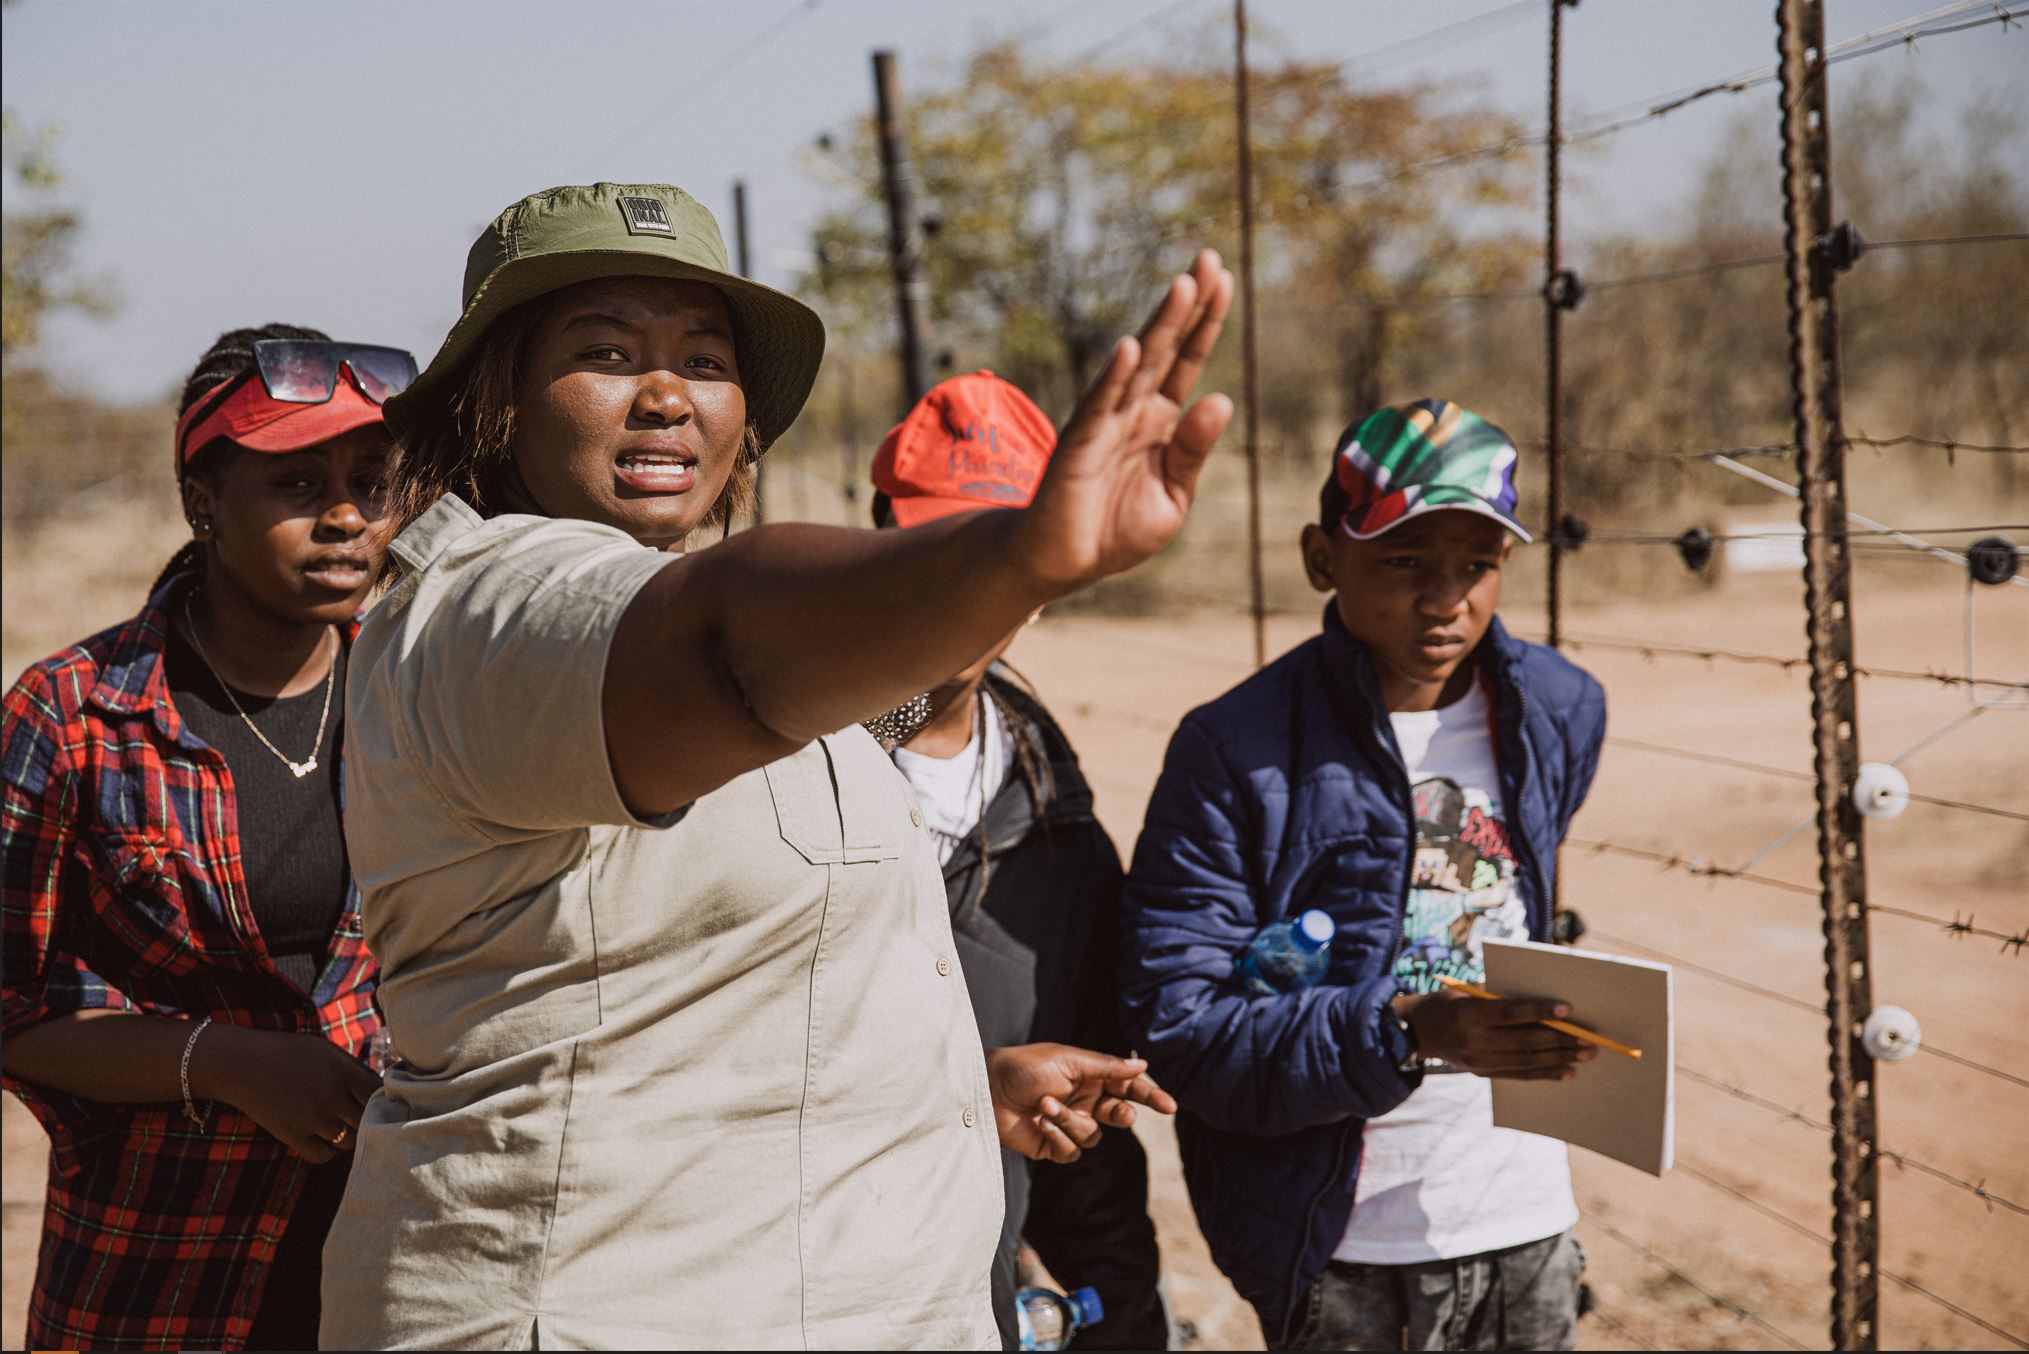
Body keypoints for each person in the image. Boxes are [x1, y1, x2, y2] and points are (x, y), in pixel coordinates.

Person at [319, 182, 1231, 1350]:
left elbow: (713, 1001)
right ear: (495, 398)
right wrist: (1016, 554)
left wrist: (955, 1090)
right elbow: (725, 644)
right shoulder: (485, 614)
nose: (666, 394)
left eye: (704, 360)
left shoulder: (789, 679)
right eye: (606, 352)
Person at [1119, 399, 1610, 1351]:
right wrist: (1405, 1030)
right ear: (1321, 558)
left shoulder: (1558, 708)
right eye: (1403, 561)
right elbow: (1178, 1027)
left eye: (1477, 563)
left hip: (1524, 1225)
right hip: (1338, 1249)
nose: (1445, 599)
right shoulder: (1235, 750)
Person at [0, 325, 411, 1350]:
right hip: (160, 1267)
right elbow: (10, 1004)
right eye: (298, 483)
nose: (346, 517)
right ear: (202, 503)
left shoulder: (422, 693)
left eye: (370, 482)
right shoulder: (74, 714)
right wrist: (227, 1063)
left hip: (401, 1256)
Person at [871, 371, 1168, 1352]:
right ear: (875, 548)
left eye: (1001, 555)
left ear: (1047, 586)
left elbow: (1088, 1167)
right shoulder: (769, 774)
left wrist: (1121, 1320)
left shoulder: (1061, 834)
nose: (965, 586)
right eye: (932, 545)